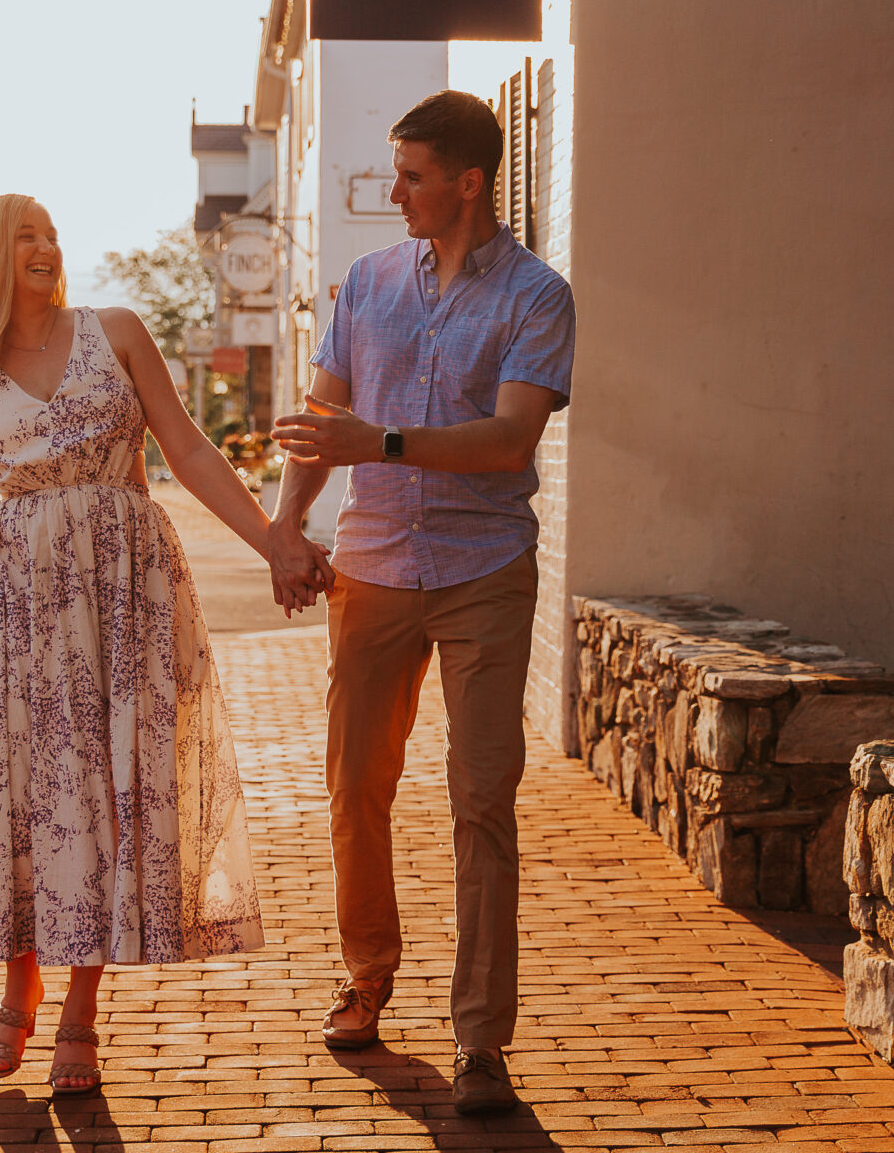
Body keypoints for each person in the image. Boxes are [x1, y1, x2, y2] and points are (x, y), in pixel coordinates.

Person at [0, 193, 334, 1092]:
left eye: (50, 232)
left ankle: (79, 1010)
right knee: (21, 795)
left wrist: (276, 542)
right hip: (17, 606)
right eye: (24, 235)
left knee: (109, 791)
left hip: (127, 591)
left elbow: (186, 450)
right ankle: (20, 981)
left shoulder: (117, 331)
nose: (46, 245)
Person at [267, 90, 576, 1116]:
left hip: (485, 568)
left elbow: (509, 442)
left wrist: (381, 442)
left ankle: (482, 1039)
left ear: (469, 181)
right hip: (372, 566)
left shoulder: (537, 295)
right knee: (356, 784)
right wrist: (285, 530)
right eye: (395, 172)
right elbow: (324, 421)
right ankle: (367, 975)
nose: (393, 191)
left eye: (411, 175)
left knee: (481, 800)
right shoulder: (366, 281)